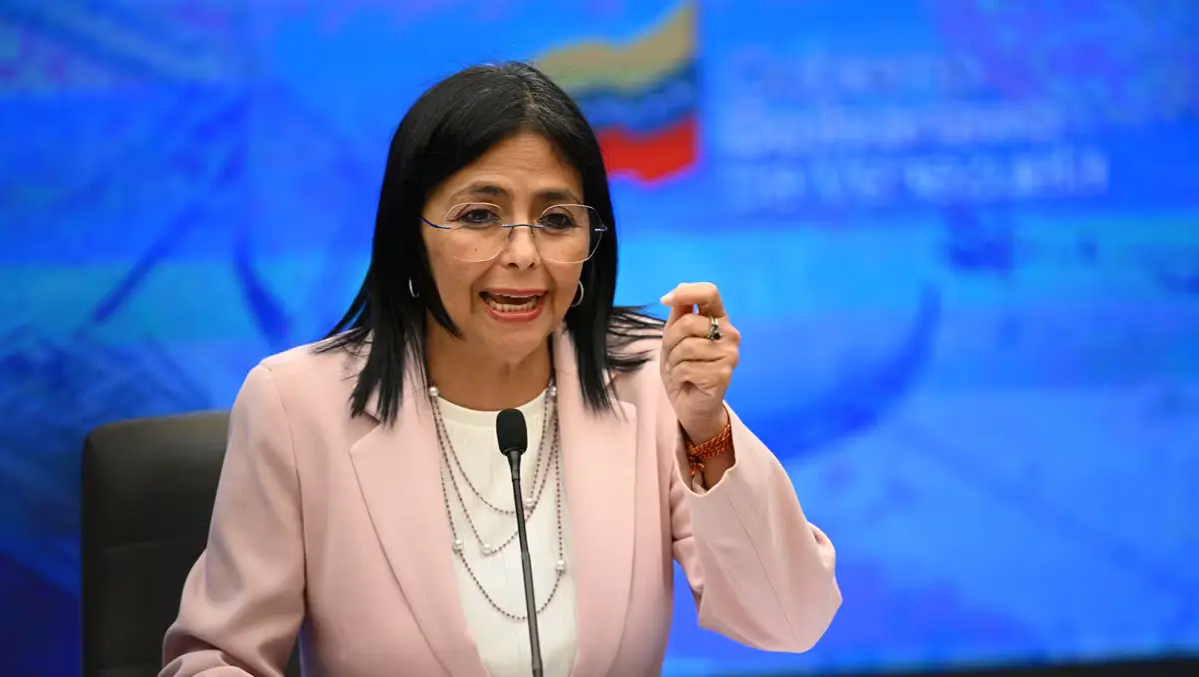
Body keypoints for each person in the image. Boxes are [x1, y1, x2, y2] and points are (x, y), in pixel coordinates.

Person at [161, 61, 840, 677]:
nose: (522, 253)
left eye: (556, 219)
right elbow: (216, 660)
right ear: (411, 236)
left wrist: (706, 430)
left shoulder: (647, 379)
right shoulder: (297, 405)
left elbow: (789, 618)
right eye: (480, 215)